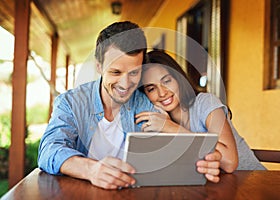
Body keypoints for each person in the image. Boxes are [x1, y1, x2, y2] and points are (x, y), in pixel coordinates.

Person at [38, 21, 155, 190]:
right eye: (115, 72)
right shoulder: (71, 103)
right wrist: (91, 169)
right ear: (99, 66)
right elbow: (49, 150)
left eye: (134, 73)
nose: (125, 83)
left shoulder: (145, 103)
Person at [136, 50, 265, 172]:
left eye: (167, 81)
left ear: (179, 78)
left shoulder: (205, 102)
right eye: (151, 89)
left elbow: (230, 162)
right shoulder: (159, 121)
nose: (162, 92)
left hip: (251, 182)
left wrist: (173, 129)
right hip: (215, 189)